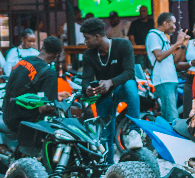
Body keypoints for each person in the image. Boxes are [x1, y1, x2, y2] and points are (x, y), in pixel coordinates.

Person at [79, 17, 141, 164]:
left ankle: (134, 131)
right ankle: (108, 166)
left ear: (97, 36)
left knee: (130, 84)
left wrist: (110, 82)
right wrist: (87, 88)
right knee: (106, 134)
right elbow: (86, 79)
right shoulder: (88, 55)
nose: (85, 41)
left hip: (122, 87)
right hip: (104, 93)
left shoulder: (123, 45)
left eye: (87, 38)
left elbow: (129, 72)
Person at [2, 37, 62, 141]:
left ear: (42, 47)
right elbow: (44, 107)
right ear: (57, 55)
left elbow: (28, 89)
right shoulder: (49, 73)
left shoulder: (24, 60)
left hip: (7, 112)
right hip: (23, 120)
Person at [146, 12, 188, 123]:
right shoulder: (153, 35)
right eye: (173, 23)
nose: (175, 27)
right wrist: (177, 43)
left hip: (171, 79)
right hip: (163, 80)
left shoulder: (163, 36)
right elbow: (159, 56)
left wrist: (182, 46)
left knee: (167, 114)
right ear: (165, 23)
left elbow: (175, 60)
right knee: (172, 116)